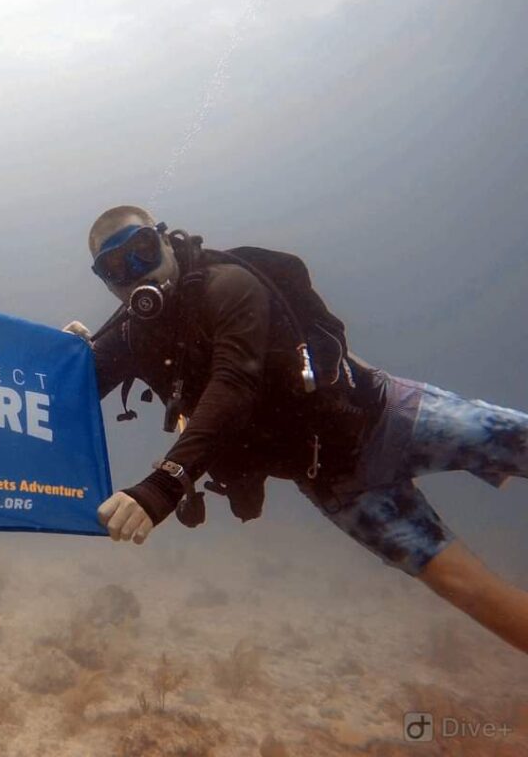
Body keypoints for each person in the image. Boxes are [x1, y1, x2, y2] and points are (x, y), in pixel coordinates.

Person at [65, 204, 528, 654]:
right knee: (466, 588)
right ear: (107, 284)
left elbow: (234, 384)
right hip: (336, 482)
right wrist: (65, 357)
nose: (135, 272)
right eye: (115, 268)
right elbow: (66, 397)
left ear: (164, 239)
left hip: (390, 417)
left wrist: (164, 485)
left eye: (141, 250)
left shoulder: (229, 285)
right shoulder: (130, 335)